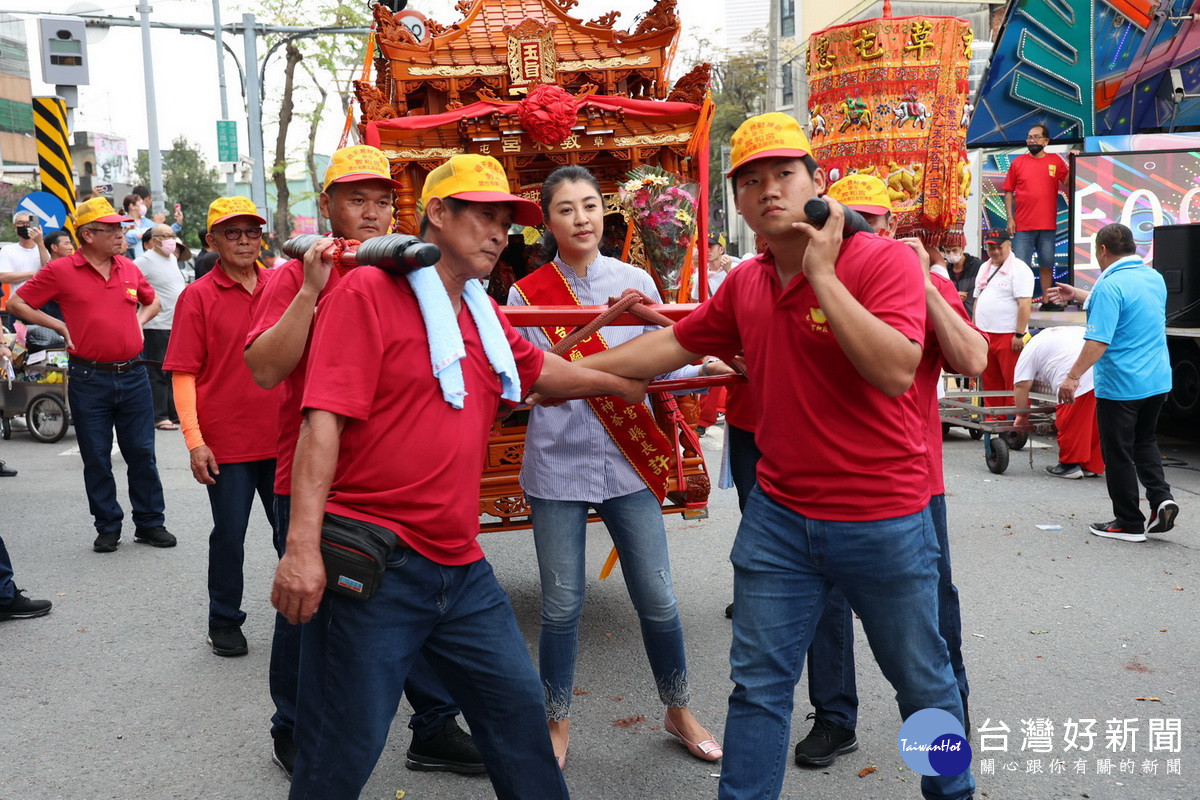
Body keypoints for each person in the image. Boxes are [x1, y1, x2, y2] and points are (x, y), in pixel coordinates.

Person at [572, 113, 975, 800]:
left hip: (884, 517)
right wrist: (558, 374)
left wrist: (822, 275)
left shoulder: (882, 262)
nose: (768, 190)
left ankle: (951, 792)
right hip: (782, 520)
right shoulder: (748, 283)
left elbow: (895, 370)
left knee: (923, 682)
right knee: (758, 689)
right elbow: (670, 346)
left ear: (818, 184)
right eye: (750, 180)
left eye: (784, 174)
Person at [269, 152, 649, 800]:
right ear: (437, 216)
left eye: (505, 218)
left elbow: (543, 372)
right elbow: (321, 423)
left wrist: (618, 383)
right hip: (379, 562)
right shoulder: (368, 292)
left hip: (461, 567)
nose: (499, 230)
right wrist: (301, 548)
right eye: (482, 214)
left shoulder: (479, 310)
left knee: (519, 722)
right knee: (344, 746)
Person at [245, 145, 484, 779]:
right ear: (326, 205)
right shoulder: (295, 273)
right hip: (314, 478)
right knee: (310, 604)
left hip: (396, 479)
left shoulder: (411, 270)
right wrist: (312, 293)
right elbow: (266, 369)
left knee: (416, 603)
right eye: (357, 199)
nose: (373, 212)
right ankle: (292, 726)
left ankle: (433, 726)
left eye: (383, 200)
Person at [508, 164, 725, 768]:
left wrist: (701, 366)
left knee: (657, 597)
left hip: (629, 464)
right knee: (561, 603)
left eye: (590, 206)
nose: (581, 219)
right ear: (547, 222)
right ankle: (555, 720)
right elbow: (526, 381)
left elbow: (668, 360)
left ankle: (678, 708)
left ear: (607, 212)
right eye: (566, 210)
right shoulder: (526, 294)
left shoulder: (634, 281)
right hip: (557, 465)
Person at [791, 175, 987, 770]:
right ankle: (833, 718)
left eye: (872, 221)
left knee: (931, 612)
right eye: (850, 221)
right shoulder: (809, 280)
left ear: (893, 226)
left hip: (911, 485)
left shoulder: (917, 280)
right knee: (825, 607)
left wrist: (923, 283)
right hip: (825, 485)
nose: (863, 233)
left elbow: (973, 360)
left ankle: (949, 719)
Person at [7, 197, 174, 554]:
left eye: (120, 227)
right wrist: (59, 325)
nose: (120, 233)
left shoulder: (128, 267)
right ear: (87, 234)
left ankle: (149, 523)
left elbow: (152, 301)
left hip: (133, 377)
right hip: (88, 378)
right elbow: (16, 304)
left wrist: (139, 322)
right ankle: (108, 525)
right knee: (96, 457)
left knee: (142, 453)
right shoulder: (60, 270)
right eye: (112, 228)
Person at [164, 197, 281, 657]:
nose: (245, 240)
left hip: (284, 438)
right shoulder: (198, 296)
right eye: (232, 233)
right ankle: (224, 620)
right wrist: (195, 441)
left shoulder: (282, 285)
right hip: (227, 445)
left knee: (293, 535)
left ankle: (310, 616)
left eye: (251, 231)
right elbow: (183, 373)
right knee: (229, 537)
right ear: (212, 241)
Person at [1050, 223, 1179, 542]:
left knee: (1118, 451)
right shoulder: (1154, 277)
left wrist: (1072, 376)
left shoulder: (1110, 286)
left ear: (1103, 251)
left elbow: (1098, 341)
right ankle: (1161, 498)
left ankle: (1128, 522)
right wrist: (1080, 294)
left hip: (1122, 384)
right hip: (1157, 379)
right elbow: (1127, 307)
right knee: (1144, 441)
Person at [1013, 326, 1104, 479]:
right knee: (1095, 421)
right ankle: (1090, 465)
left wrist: (1021, 416)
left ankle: (1070, 465)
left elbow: (1021, 385)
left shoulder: (1032, 346)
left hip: (1075, 376)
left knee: (1070, 420)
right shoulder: (1068, 330)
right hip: (1103, 370)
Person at [1003, 124, 1067, 308]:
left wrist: (1076, 159)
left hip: (1047, 225)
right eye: (1029, 137)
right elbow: (1008, 192)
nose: (1032, 140)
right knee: (1022, 268)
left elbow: (1070, 181)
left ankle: (1047, 302)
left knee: (1047, 264)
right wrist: (1010, 218)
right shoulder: (1018, 163)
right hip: (1023, 226)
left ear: (1046, 141)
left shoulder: (1055, 160)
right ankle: (1022, 304)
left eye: (1036, 137)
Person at [973, 229, 1033, 414]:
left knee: (1012, 380)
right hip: (986, 334)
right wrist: (975, 330)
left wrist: (1018, 334)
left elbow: (1025, 304)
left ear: (1009, 245)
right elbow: (977, 300)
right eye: (991, 247)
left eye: (999, 247)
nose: (995, 251)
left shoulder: (1020, 268)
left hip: (1008, 335)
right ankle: (993, 417)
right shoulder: (984, 267)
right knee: (990, 381)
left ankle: (1012, 419)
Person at [135, 225, 187, 430]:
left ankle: (173, 413)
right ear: (154, 240)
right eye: (165, 236)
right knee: (157, 371)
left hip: (176, 323)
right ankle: (159, 416)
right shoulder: (143, 261)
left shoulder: (172, 258)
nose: (170, 240)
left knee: (173, 371)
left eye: (172, 236)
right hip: (156, 324)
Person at [0, 211, 51, 328]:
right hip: (18, 307)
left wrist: (40, 243)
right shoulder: (8, 250)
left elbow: (48, 269)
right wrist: (35, 274)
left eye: (28, 223)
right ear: (15, 227)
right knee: (18, 345)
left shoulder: (45, 248)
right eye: (20, 223)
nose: (25, 226)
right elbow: (3, 277)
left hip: (43, 307)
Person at [941, 244, 982, 318]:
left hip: (975, 317)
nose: (951, 254)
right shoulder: (944, 270)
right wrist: (954, 296)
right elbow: (941, 294)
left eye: (954, 250)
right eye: (948, 251)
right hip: (954, 319)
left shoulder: (979, 267)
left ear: (962, 248)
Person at [122, 193, 155, 259]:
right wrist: (139, 236)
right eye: (141, 204)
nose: (144, 206)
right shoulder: (121, 222)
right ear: (132, 206)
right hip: (129, 259)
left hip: (149, 260)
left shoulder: (150, 223)